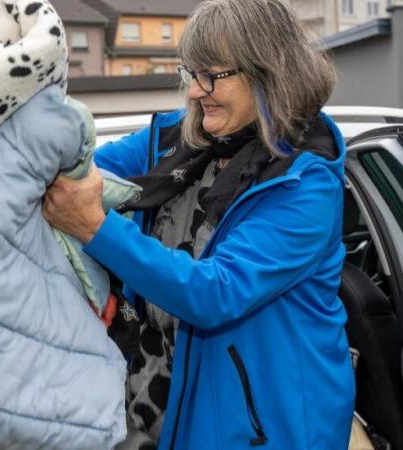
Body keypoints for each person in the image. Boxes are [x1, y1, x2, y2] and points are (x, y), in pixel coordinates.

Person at [43, 0, 355, 448]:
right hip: (158, 405)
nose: (194, 91)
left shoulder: (306, 184)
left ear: (266, 71)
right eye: (192, 74)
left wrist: (94, 228)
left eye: (212, 74)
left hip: (257, 430)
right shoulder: (174, 143)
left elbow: (215, 292)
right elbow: (80, 168)